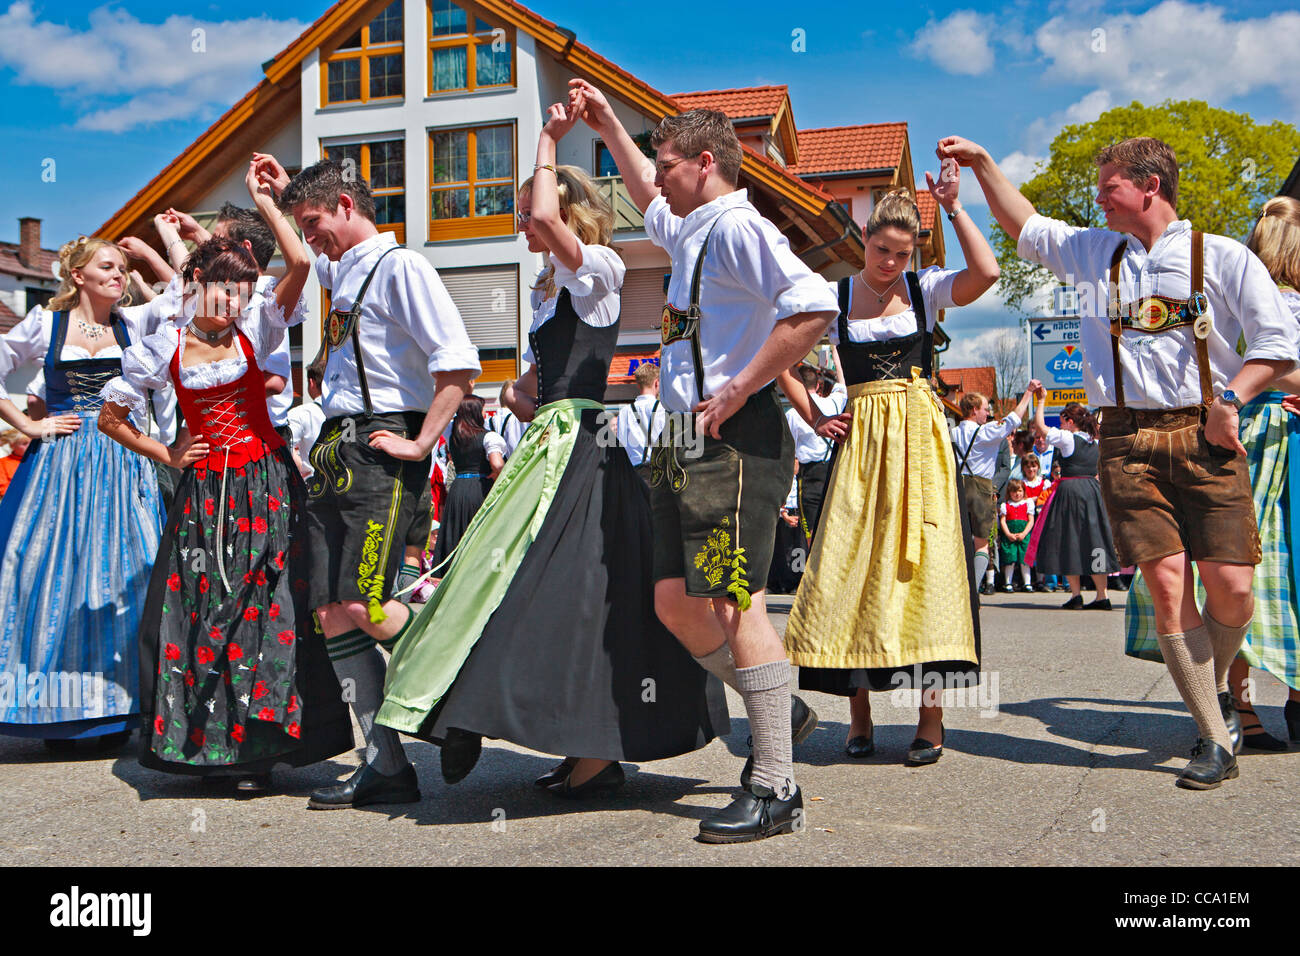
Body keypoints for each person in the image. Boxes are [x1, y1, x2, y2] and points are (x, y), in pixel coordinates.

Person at [377, 103, 728, 799]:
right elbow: (538, 384)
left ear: (566, 211)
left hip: (586, 453)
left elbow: (547, 226)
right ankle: (525, 728)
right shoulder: (551, 291)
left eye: (531, 209)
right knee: (520, 587)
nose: (522, 221)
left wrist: (544, 139)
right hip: (554, 443)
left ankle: (590, 746)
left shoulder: (595, 267)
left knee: (577, 595)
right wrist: (520, 398)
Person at [943, 132, 1298, 788]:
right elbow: (1025, 227)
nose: (1100, 201)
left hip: (1208, 433)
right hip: (1126, 438)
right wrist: (984, 164)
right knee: (1166, 583)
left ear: (1149, 187)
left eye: (1109, 188)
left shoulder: (1221, 257)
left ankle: (1211, 683)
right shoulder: (1093, 253)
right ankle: (1213, 737)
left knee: (1234, 589)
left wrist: (1232, 398)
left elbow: (1278, 342)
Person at [571, 78, 838, 842]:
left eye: (666, 162)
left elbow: (814, 305)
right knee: (675, 603)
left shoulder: (739, 227)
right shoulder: (689, 227)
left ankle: (777, 784)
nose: (656, 176)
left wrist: (739, 388)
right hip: (683, 437)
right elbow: (638, 187)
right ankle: (776, 705)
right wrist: (608, 125)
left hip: (734, 434)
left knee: (732, 601)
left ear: (704, 163)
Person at [252, 151, 481, 810]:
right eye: (304, 222)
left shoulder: (401, 265)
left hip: (383, 450)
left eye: (317, 219)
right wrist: (274, 198)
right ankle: (384, 763)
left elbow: (458, 365)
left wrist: (419, 442)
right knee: (331, 613)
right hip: (334, 450)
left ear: (348, 208)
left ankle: (459, 695)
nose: (311, 233)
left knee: (368, 604)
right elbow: (301, 253)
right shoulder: (342, 270)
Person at [100, 195, 352, 792]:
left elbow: (299, 265)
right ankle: (215, 749)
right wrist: (166, 452)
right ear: (195, 284)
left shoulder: (256, 329)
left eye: (241, 292)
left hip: (266, 484)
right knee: (206, 612)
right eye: (222, 291)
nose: (233, 302)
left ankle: (261, 753)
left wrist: (268, 204)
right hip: (206, 496)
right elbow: (111, 416)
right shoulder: (164, 344)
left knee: (270, 609)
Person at [783, 174, 999, 765]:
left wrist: (954, 209)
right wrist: (815, 413)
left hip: (920, 445)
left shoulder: (925, 289)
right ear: (866, 241)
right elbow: (779, 351)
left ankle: (931, 720)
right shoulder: (834, 297)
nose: (891, 262)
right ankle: (860, 713)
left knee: (927, 572)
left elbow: (987, 274)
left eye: (903, 253)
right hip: (862, 448)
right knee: (853, 566)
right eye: (883, 250)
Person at [1126, 195, 1300, 749]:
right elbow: (1278, 367)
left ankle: (1238, 706)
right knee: (1267, 568)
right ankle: (1278, 702)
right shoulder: (1275, 299)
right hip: (1267, 438)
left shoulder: (1230, 280)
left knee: (1242, 568)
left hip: (1238, 428)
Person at [0, 238, 164, 748]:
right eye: (109, 267)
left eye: (123, 268)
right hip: (62, 466)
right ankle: (59, 711)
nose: (120, 275)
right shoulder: (44, 326)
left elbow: (188, 295)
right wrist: (29, 425)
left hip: (124, 460)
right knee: (53, 574)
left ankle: (122, 709)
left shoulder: (134, 323)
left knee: (129, 575)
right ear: (78, 276)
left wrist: (164, 245)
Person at [1025, 398, 1118, 609]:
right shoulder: (1094, 441)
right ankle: (1102, 596)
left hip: (1070, 492)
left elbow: (1040, 427)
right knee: (1097, 541)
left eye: (1061, 421)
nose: (1059, 425)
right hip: (1092, 491)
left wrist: (1040, 402)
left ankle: (1076, 595)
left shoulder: (1068, 438)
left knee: (1070, 540)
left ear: (1069, 421)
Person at [952, 387, 1037, 595]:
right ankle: (972, 590)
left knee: (960, 543)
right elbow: (1014, 419)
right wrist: (1028, 393)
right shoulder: (985, 431)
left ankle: (958, 586)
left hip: (957, 487)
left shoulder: (952, 432)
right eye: (984, 409)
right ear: (973, 410)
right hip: (981, 488)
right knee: (982, 544)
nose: (988, 413)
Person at [427, 394, 505, 570]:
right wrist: (496, 473)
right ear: (476, 413)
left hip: (458, 488)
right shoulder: (489, 437)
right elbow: (497, 464)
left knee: (456, 534)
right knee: (482, 535)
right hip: (480, 487)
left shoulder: (451, 435)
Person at [784, 363, 846, 545]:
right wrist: (835, 348)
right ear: (818, 384)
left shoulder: (794, 414)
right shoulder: (835, 401)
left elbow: (790, 455)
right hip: (833, 470)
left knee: (810, 532)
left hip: (809, 477)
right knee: (833, 525)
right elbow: (842, 383)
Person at [616, 361, 666, 485]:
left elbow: (620, 444)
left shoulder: (624, 412)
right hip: (658, 470)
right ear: (657, 383)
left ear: (638, 385)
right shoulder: (662, 408)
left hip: (632, 472)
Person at [1019, 453, 1054, 591]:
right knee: (1027, 548)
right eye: (1028, 467)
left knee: (1040, 548)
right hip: (1025, 519)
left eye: (1033, 466)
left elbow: (1047, 498)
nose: (1031, 470)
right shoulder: (1021, 483)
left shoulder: (1044, 482)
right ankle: (1028, 581)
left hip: (1041, 518)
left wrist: (1031, 499)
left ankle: (1041, 580)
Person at [287, 358, 327, 479]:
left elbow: (285, 446)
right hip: (346, 483)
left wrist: (301, 467)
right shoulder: (347, 411)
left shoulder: (301, 413)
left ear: (311, 382)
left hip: (314, 484)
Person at [998, 478, 1035, 592]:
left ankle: (1027, 583)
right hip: (1010, 535)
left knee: (1024, 559)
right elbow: (1003, 521)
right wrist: (1008, 534)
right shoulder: (1006, 505)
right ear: (1009, 493)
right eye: (1014, 491)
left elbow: (1031, 520)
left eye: (1019, 491)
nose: (1017, 494)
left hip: (1023, 535)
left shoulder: (1028, 503)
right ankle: (1008, 583)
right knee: (1010, 559)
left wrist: (1024, 533)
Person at [0, 429, 28, 499]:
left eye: (30, 443)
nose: (28, 447)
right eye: (24, 444)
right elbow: (3, 489)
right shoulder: (2, 463)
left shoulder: (37, 460)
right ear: (12, 445)